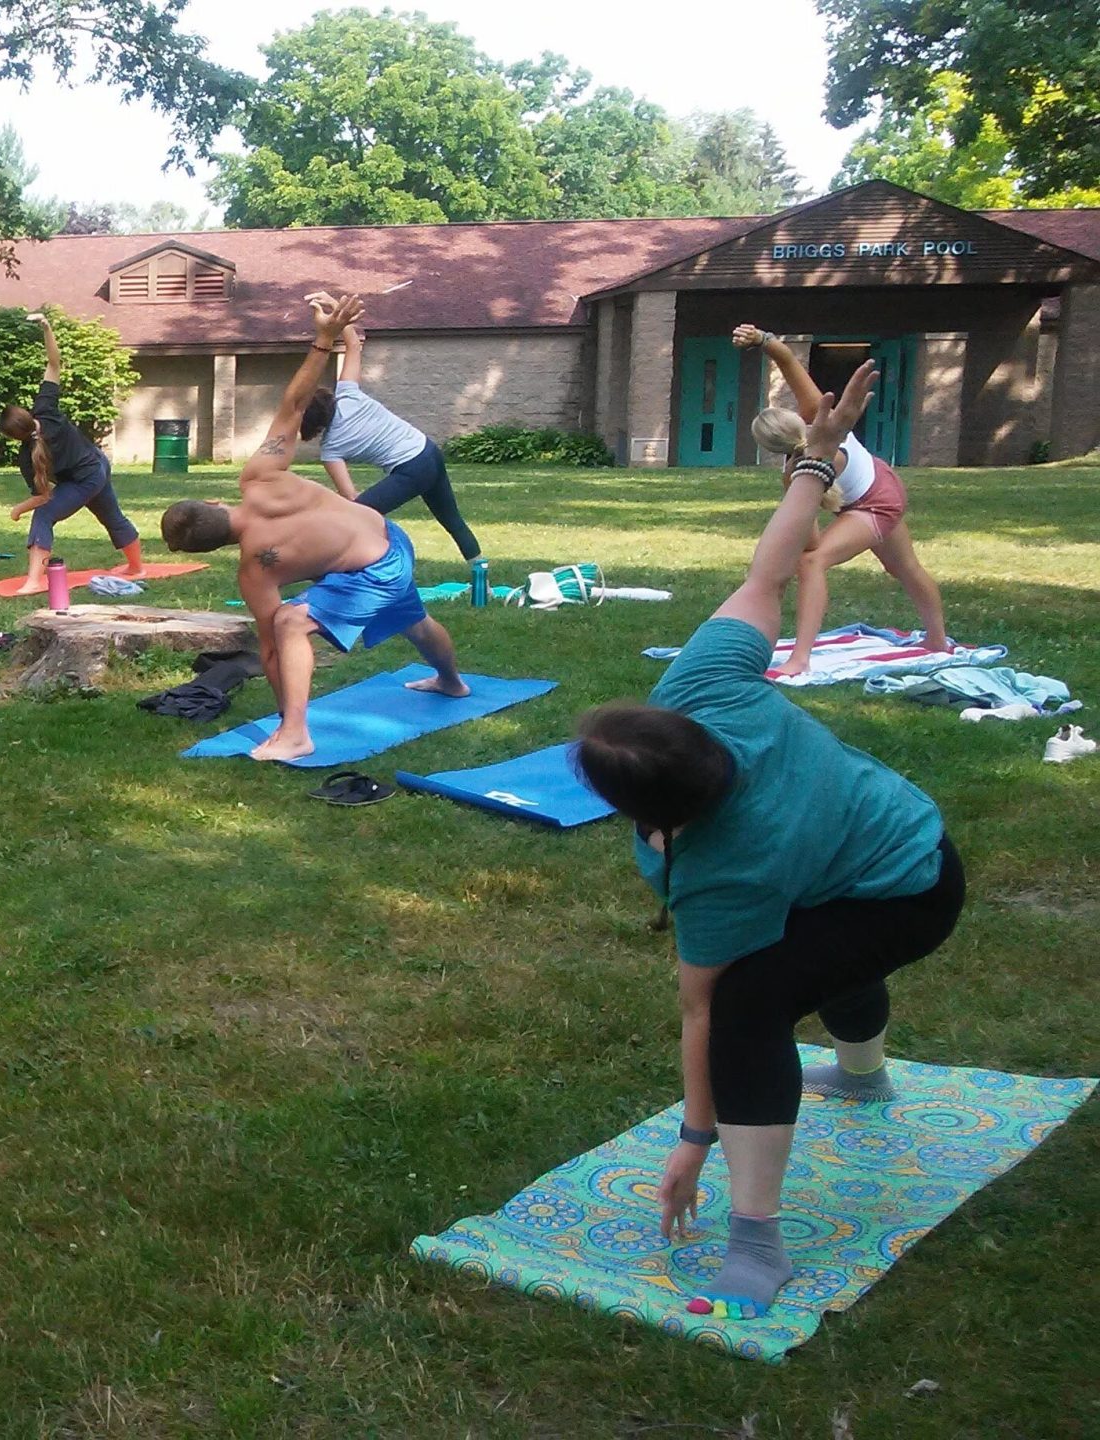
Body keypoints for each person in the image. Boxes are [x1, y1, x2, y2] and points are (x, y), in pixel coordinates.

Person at [573, 360, 964, 1319]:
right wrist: (816, 464)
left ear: (652, 819)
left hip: (914, 886)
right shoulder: (705, 688)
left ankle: (758, 1240)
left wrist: (692, 1142)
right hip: (883, 837)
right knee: (812, 935)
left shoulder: (720, 873)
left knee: (757, 998)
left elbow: (707, 1017)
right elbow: (769, 568)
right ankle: (863, 1079)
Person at [159, 294, 470, 762]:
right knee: (414, 622)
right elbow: (295, 403)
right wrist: (324, 341)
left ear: (211, 547)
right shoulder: (259, 478)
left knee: (288, 623)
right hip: (389, 540)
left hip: (372, 570)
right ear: (213, 501)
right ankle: (451, 682)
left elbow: (269, 651)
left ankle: (297, 735)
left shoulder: (255, 570)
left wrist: (285, 714)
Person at [734, 325, 949, 675]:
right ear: (795, 421)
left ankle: (800, 659)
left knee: (811, 564)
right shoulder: (819, 419)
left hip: (876, 502)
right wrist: (761, 339)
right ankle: (938, 640)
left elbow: (813, 542)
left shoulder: (798, 475)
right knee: (903, 567)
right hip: (882, 482)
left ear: (769, 449)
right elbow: (790, 363)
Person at [308, 321, 482, 564]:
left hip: (412, 468)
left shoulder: (330, 449)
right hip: (428, 449)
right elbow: (354, 345)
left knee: (357, 516)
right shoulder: (349, 394)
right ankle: (482, 582)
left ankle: (370, 569)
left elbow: (351, 498)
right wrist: (341, 314)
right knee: (452, 520)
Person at [0, 309, 143, 597]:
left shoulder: (27, 455)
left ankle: (34, 581)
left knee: (43, 515)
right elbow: (54, 363)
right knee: (112, 515)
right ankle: (136, 567)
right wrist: (47, 328)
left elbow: (42, 497)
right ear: (27, 414)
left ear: (13, 436)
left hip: (85, 478)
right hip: (97, 465)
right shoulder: (46, 411)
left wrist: (17, 509)